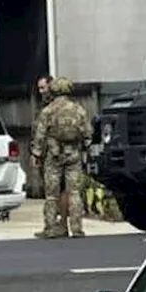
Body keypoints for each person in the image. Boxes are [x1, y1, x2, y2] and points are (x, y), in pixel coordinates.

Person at [31, 77, 92, 239]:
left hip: (54, 156)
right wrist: (85, 148)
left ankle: (51, 228)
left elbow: (40, 135)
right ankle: (77, 228)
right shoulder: (78, 109)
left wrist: (36, 154)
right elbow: (88, 134)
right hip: (74, 156)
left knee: (52, 194)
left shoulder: (48, 110)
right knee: (74, 193)